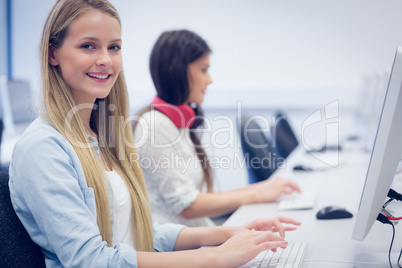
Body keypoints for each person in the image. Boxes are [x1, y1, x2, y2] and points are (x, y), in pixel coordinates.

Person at [9, 0, 301, 267]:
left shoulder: (107, 136)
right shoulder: (43, 148)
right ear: (53, 54)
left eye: (114, 47)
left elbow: (143, 232)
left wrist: (229, 233)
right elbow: (92, 259)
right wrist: (217, 257)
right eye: (88, 46)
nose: (106, 60)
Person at [133, 30, 301, 227]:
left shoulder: (178, 123)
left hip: (198, 237)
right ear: (174, 71)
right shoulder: (155, 125)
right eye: (203, 70)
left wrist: (264, 187)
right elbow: (188, 206)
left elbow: (196, 199)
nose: (209, 80)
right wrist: (257, 193)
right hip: (179, 250)